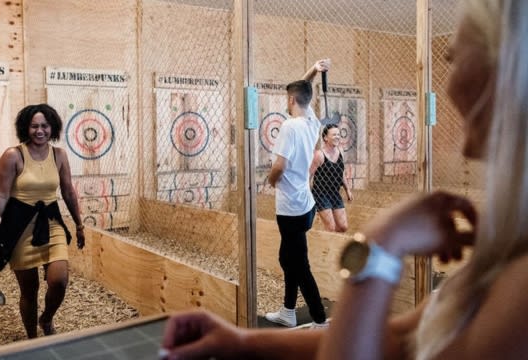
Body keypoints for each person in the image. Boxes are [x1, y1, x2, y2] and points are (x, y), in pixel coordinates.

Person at [160, 0, 528, 358]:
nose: (445, 88)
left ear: (511, 64)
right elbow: (400, 339)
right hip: (305, 201)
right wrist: (241, 344)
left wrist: (382, 241)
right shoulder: (508, 251)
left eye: (457, 58)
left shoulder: (519, 287)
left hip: (295, 202)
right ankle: (297, 312)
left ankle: (315, 314)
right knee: (295, 258)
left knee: (295, 259)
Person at [0, 104, 85, 339]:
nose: (40, 131)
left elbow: (68, 192)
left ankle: (46, 318)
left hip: (51, 221)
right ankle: (32, 339)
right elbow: (2, 195)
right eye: (34, 126)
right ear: (26, 128)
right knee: (30, 290)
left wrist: (79, 225)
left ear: (53, 127)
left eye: (45, 126)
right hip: (19, 227)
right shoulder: (13, 155)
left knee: (59, 281)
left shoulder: (59, 155)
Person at [264, 58, 331, 329]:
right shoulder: (311, 121)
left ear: (291, 99)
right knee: (287, 257)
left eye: (287, 98)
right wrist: (314, 70)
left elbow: (279, 166)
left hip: (290, 208)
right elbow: (306, 89)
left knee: (299, 265)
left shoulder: (290, 126)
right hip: (306, 206)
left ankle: (320, 319)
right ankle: (288, 311)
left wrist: (269, 181)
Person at [310, 124, 353, 232]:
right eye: (334, 135)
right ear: (325, 138)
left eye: (338, 134)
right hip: (321, 194)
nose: (337, 137)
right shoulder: (319, 155)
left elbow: (341, 172)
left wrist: (347, 189)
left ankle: (332, 242)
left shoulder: (340, 151)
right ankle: (326, 246)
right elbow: (309, 175)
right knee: (331, 228)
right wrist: (308, 196)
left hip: (335, 193)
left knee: (343, 227)